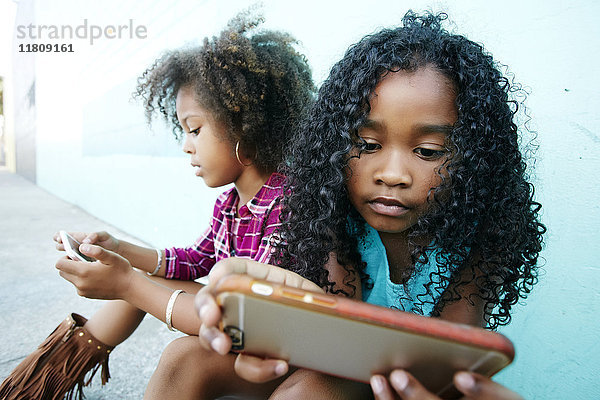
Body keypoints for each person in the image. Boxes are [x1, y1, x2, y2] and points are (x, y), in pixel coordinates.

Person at [179, 11, 545, 399]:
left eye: (427, 151)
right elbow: (333, 331)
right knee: (184, 357)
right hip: (335, 355)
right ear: (336, 146)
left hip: (412, 383)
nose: (392, 174)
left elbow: (447, 365)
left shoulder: (481, 240)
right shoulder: (334, 216)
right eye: (368, 145)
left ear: (473, 160)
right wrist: (281, 323)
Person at [0, 12, 316, 400]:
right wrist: (119, 250)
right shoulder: (229, 204)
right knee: (133, 281)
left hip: (274, 348)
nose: (186, 145)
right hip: (240, 327)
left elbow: (248, 321)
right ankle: (34, 386)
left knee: (163, 332)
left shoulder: (289, 203)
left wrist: (128, 283)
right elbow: (196, 260)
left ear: (245, 126)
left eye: (195, 129)